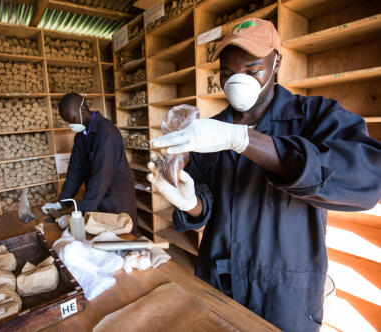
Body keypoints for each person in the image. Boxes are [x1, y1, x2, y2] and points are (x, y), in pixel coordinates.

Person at [147, 18, 381, 331]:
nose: (237, 80)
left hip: (285, 297)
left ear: (276, 62)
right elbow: (207, 203)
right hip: (219, 283)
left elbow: (368, 180)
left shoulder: (315, 117)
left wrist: (245, 140)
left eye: (252, 68)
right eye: (228, 73)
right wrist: (191, 203)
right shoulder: (208, 132)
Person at [42, 93, 137, 233]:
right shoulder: (80, 136)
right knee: (104, 239)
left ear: (83, 110)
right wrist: (61, 203)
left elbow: (101, 177)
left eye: (72, 119)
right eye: (67, 121)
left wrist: (77, 215)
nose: (71, 125)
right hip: (98, 197)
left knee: (124, 238)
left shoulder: (107, 133)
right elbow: (75, 171)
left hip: (116, 198)